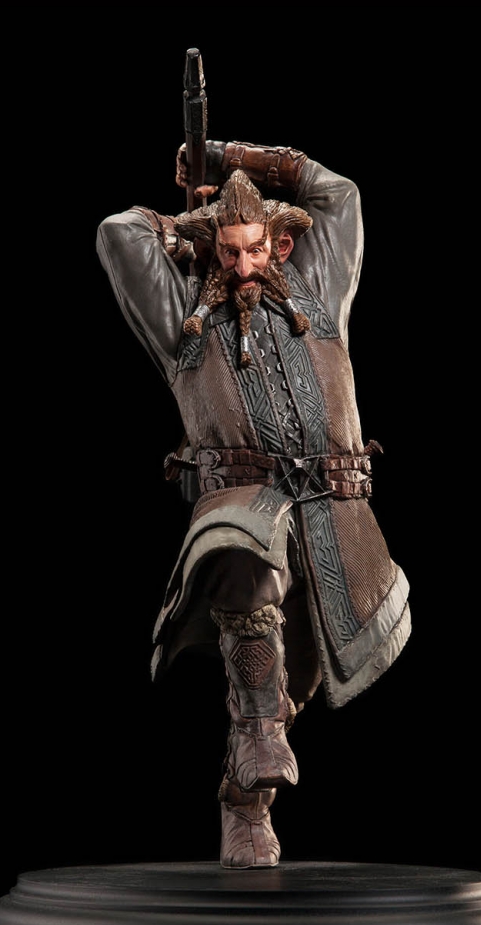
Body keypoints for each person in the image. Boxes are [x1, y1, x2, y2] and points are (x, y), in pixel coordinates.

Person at [96, 140, 411, 868]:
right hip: (240, 498)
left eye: (254, 250)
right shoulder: (183, 308)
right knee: (244, 560)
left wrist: (225, 155)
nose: (241, 267)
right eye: (228, 252)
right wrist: (182, 227)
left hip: (334, 512)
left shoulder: (319, 286)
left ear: (281, 244)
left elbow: (340, 194)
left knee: (295, 674)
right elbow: (118, 234)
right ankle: (254, 750)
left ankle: (244, 799)